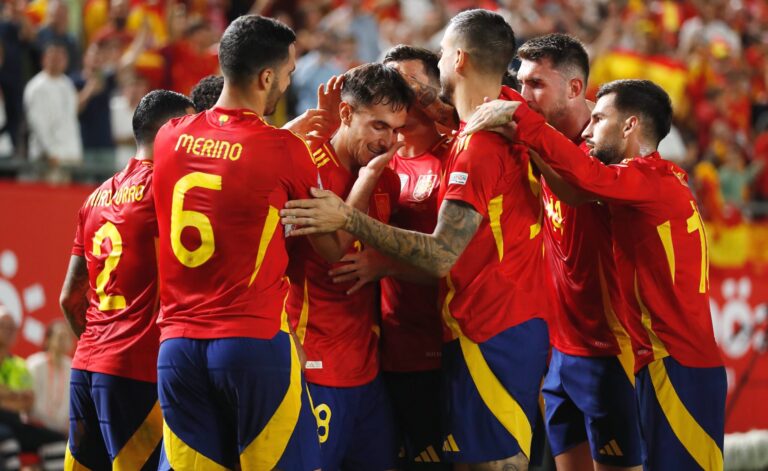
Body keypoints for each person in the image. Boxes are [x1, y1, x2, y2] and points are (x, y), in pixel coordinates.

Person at [281, 9, 549, 470]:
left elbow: (441, 253)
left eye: (442, 55)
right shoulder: (470, 135)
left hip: (487, 330)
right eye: (380, 124)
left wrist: (358, 224)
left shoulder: (471, 146)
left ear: (458, 59)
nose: (391, 136)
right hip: (403, 349)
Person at [492, 79, 725, 470]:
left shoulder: (648, 180)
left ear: (630, 126)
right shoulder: (652, 180)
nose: (587, 129)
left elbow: (587, 177)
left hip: (679, 363)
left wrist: (521, 117)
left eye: (598, 119)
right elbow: (575, 188)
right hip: (660, 359)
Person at [151, 15, 341, 470]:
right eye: (290, 74)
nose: (288, 83)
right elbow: (332, 250)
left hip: (177, 348)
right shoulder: (284, 150)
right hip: (252, 342)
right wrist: (342, 212)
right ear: (267, 77)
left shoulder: (169, 137)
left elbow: (228, 156)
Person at [515, 34, 642, 471]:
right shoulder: (535, 141)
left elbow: (577, 190)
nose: (522, 96)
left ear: (573, 89)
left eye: (535, 84)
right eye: (519, 83)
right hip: (561, 351)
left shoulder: (607, 149)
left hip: (613, 348)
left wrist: (525, 133)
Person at [328, 44, 450, 470]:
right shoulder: (374, 166)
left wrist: (387, 266)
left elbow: (457, 260)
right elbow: (336, 248)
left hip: (447, 348)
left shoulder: (461, 156)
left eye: (411, 84)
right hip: (372, 355)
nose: (397, 88)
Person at [59, 89, 194, 470]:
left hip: (85, 368)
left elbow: (69, 298)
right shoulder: (168, 189)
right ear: (170, 131)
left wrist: (101, 344)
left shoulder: (95, 197)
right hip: (136, 371)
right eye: (188, 125)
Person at [285, 62, 409, 471]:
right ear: (345, 114)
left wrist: (385, 261)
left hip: (367, 369)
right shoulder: (307, 165)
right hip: (313, 365)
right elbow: (334, 250)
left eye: (395, 130)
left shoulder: (387, 179)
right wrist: (368, 179)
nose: (386, 140)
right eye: (377, 126)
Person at [0, 306, 66, 470]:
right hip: (5, 431)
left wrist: (5, 395)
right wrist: (14, 396)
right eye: (4, 326)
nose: (9, 331)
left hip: (16, 424)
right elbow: (21, 400)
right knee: (8, 442)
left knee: (59, 441)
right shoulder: (35, 364)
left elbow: (27, 403)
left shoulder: (21, 365)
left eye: (12, 328)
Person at [23, 40, 82, 182]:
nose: (57, 61)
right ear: (44, 59)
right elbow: (38, 124)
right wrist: (51, 153)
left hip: (69, 156)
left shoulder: (67, 84)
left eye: (61, 58)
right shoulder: (36, 87)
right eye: (53, 57)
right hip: (48, 158)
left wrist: (76, 152)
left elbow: (71, 121)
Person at [26, 320, 74, 435]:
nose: (64, 341)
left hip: (62, 430)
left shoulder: (72, 368)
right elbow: (29, 402)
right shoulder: (35, 364)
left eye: (67, 337)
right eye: (60, 337)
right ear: (48, 340)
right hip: (35, 427)